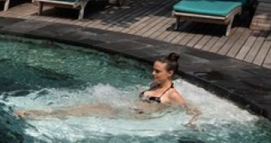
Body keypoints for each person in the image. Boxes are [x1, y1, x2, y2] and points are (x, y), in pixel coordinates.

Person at [16, 53, 198, 125]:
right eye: (153, 69)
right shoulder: (154, 85)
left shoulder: (172, 94)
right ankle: (40, 114)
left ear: (170, 73)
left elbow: (191, 110)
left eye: (157, 71)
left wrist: (192, 122)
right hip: (125, 108)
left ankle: (38, 115)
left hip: (133, 117)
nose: (152, 74)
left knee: (85, 112)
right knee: (85, 108)